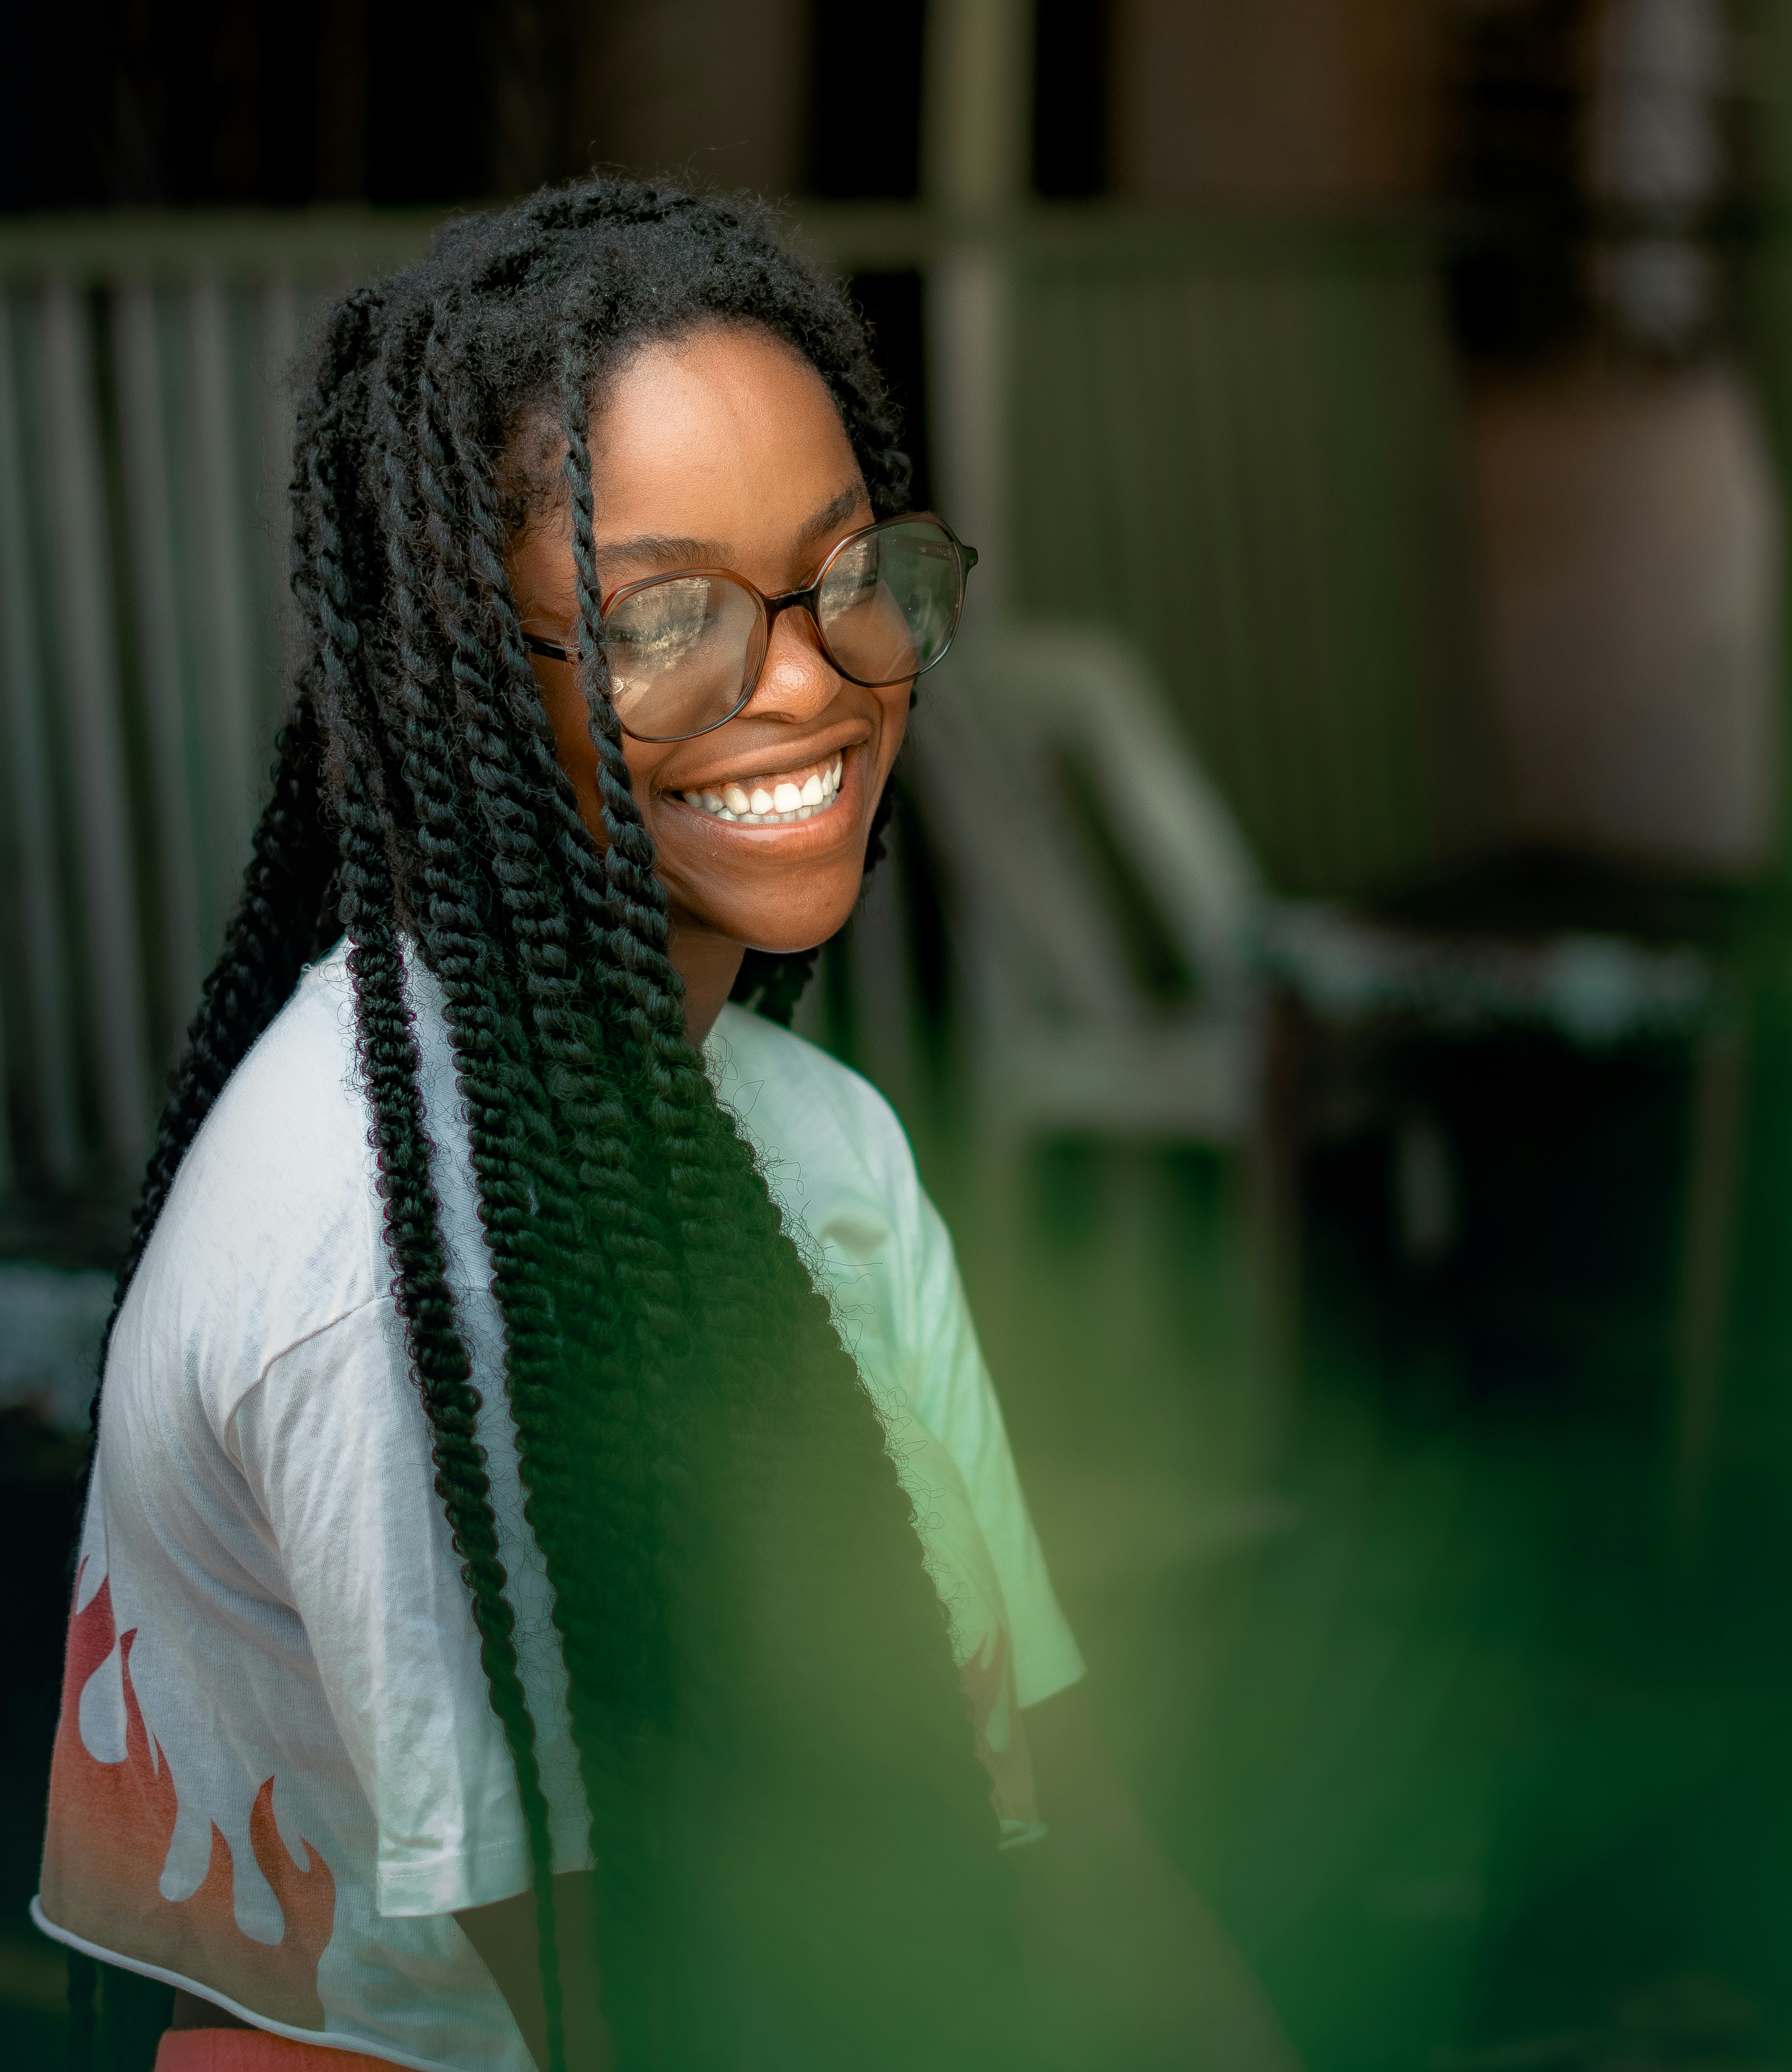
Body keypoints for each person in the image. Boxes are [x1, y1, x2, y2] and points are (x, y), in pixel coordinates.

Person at [34, 177, 1299, 2072]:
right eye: (659, 621)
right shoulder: (384, 1269)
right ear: (461, 676)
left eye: (851, 573)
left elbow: (1066, 1834)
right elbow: (643, 2016)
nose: (805, 681)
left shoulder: (828, 1154)